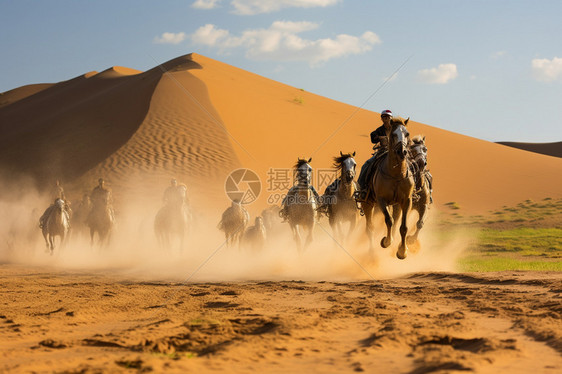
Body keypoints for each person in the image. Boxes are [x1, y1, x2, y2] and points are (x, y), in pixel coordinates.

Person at [356, 109, 394, 201]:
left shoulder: (396, 129)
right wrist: (379, 137)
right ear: (381, 118)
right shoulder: (379, 130)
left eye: (388, 117)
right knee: (366, 165)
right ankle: (362, 190)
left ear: (391, 118)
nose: (386, 119)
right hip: (382, 153)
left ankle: (413, 191)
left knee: (411, 165)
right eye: (384, 117)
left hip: (396, 153)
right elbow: (373, 137)